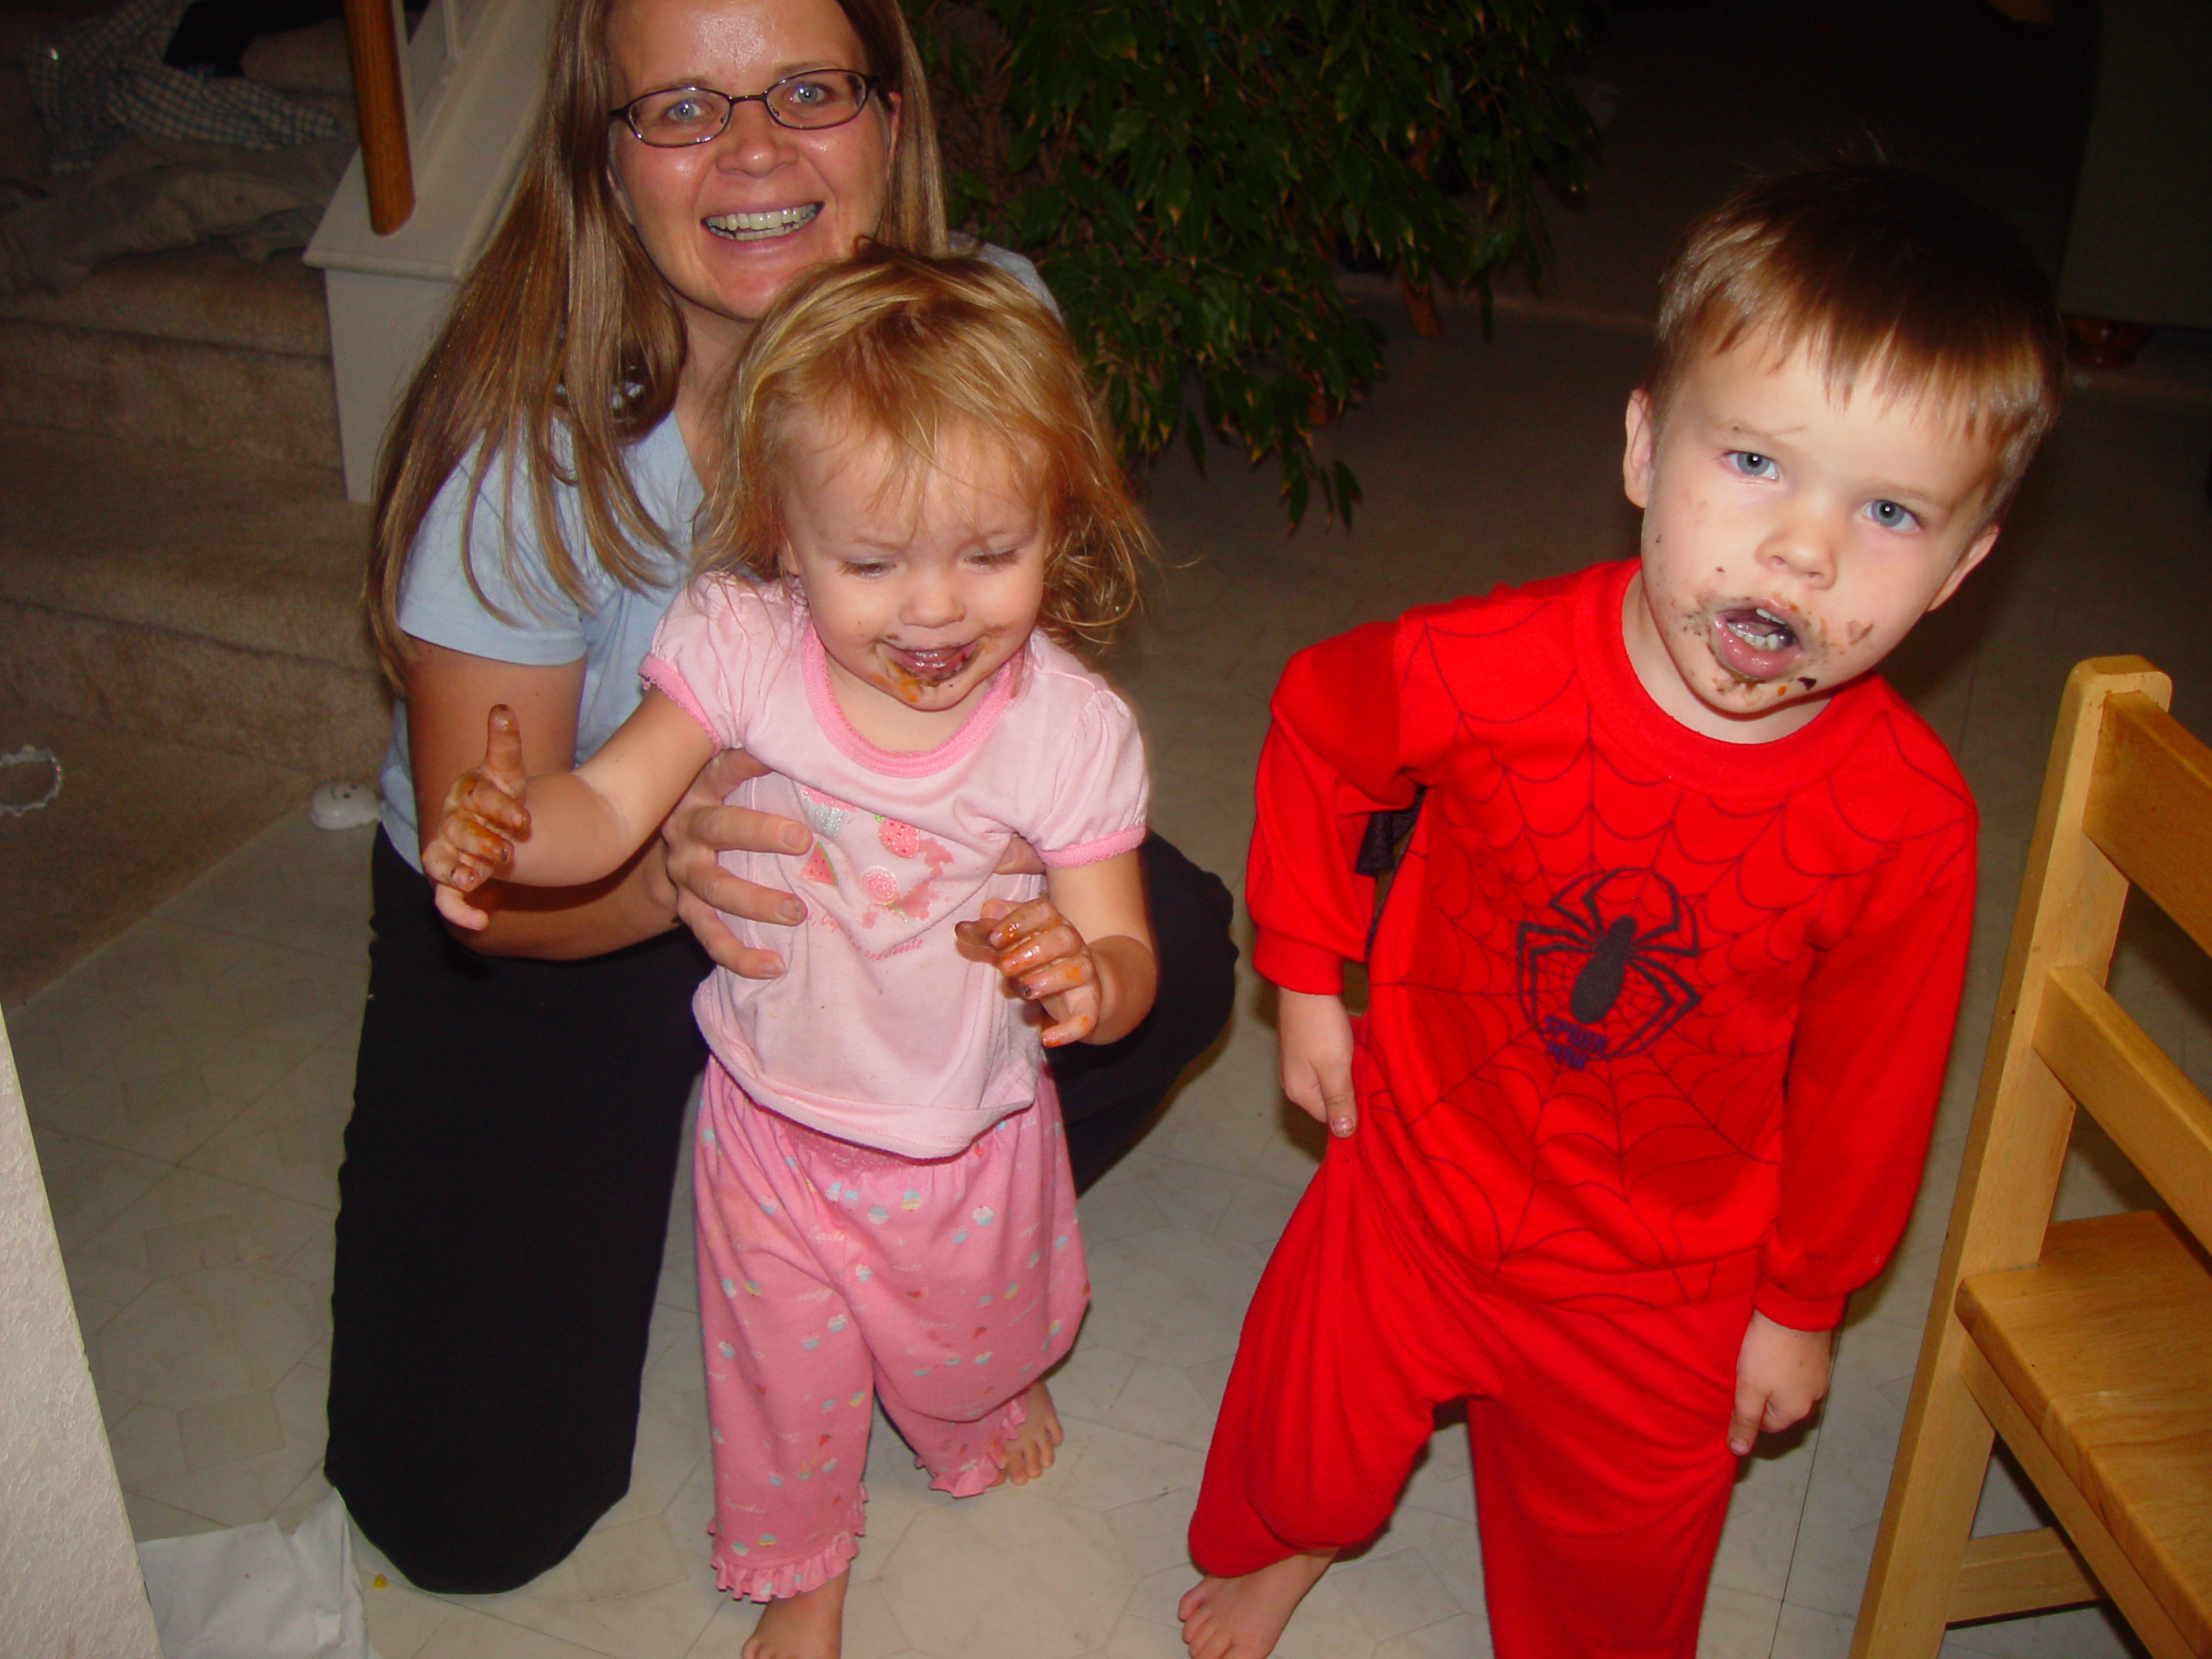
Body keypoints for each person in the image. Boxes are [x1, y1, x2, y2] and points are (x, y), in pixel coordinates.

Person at [327, 0, 1236, 1599]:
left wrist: (1008, 879)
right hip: (567, 904)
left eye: (806, 89)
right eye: (679, 108)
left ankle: (879, 1199)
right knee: (466, 1519)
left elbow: (1015, 666)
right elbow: (537, 839)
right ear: (603, 166)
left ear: (891, 122)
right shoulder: (518, 465)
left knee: (1180, 951)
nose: (753, 150)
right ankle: (747, 1152)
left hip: (863, 854)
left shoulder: (990, 314)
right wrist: (651, 879)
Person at [1177, 164, 2067, 1659]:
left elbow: (1873, 1089)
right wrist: (1310, 973)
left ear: (1966, 570)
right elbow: (1322, 730)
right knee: (1305, 1450)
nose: (1807, 552)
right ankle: (1295, 1549)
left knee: (1620, 1582)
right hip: (1415, 1170)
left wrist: (1802, 1303)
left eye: (1893, 510)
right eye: (1761, 465)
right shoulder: (1484, 664)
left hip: (1672, 1274)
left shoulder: (1909, 825)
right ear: (1648, 446)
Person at [426, 246, 1154, 1658]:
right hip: (768, 1121)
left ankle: (983, 1399)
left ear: (1059, 526)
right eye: (872, 562)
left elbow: (1125, 956)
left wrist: (1088, 975)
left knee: (969, 1351)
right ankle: (803, 1569)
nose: (934, 611)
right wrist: (515, 830)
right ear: (784, 535)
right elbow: (610, 811)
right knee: (781, 1381)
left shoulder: (1068, 732)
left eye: (990, 554)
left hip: (959, 1140)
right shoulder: (743, 646)